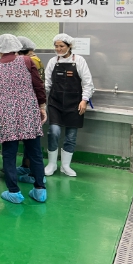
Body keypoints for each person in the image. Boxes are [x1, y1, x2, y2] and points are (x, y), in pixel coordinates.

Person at [0, 34, 48, 204]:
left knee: (9, 154)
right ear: (16, 46)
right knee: (35, 152)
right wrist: (42, 106)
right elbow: (38, 85)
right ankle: (40, 190)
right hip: (29, 110)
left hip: (7, 113)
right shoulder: (27, 61)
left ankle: (14, 192)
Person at [44, 34, 94, 177]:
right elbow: (47, 83)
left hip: (74, 103)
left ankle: (65, 166)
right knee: (54, 132)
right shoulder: (53, 61)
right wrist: (40, 99)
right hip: (55, 103)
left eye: (61, 46)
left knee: (71, 136)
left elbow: (88, 83)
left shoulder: (79, 60)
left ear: (69, 46)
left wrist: (84, 100)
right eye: (56, 46)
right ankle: (52, 164)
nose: (58, 49)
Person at [15, 35, 44, 175]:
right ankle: (26, 167)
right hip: (32, 103)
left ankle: (35, 175)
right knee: (30, 139)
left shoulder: (30, 61)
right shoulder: (34, 59)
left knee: (31, 141)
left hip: (30, 104)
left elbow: (33, 85)